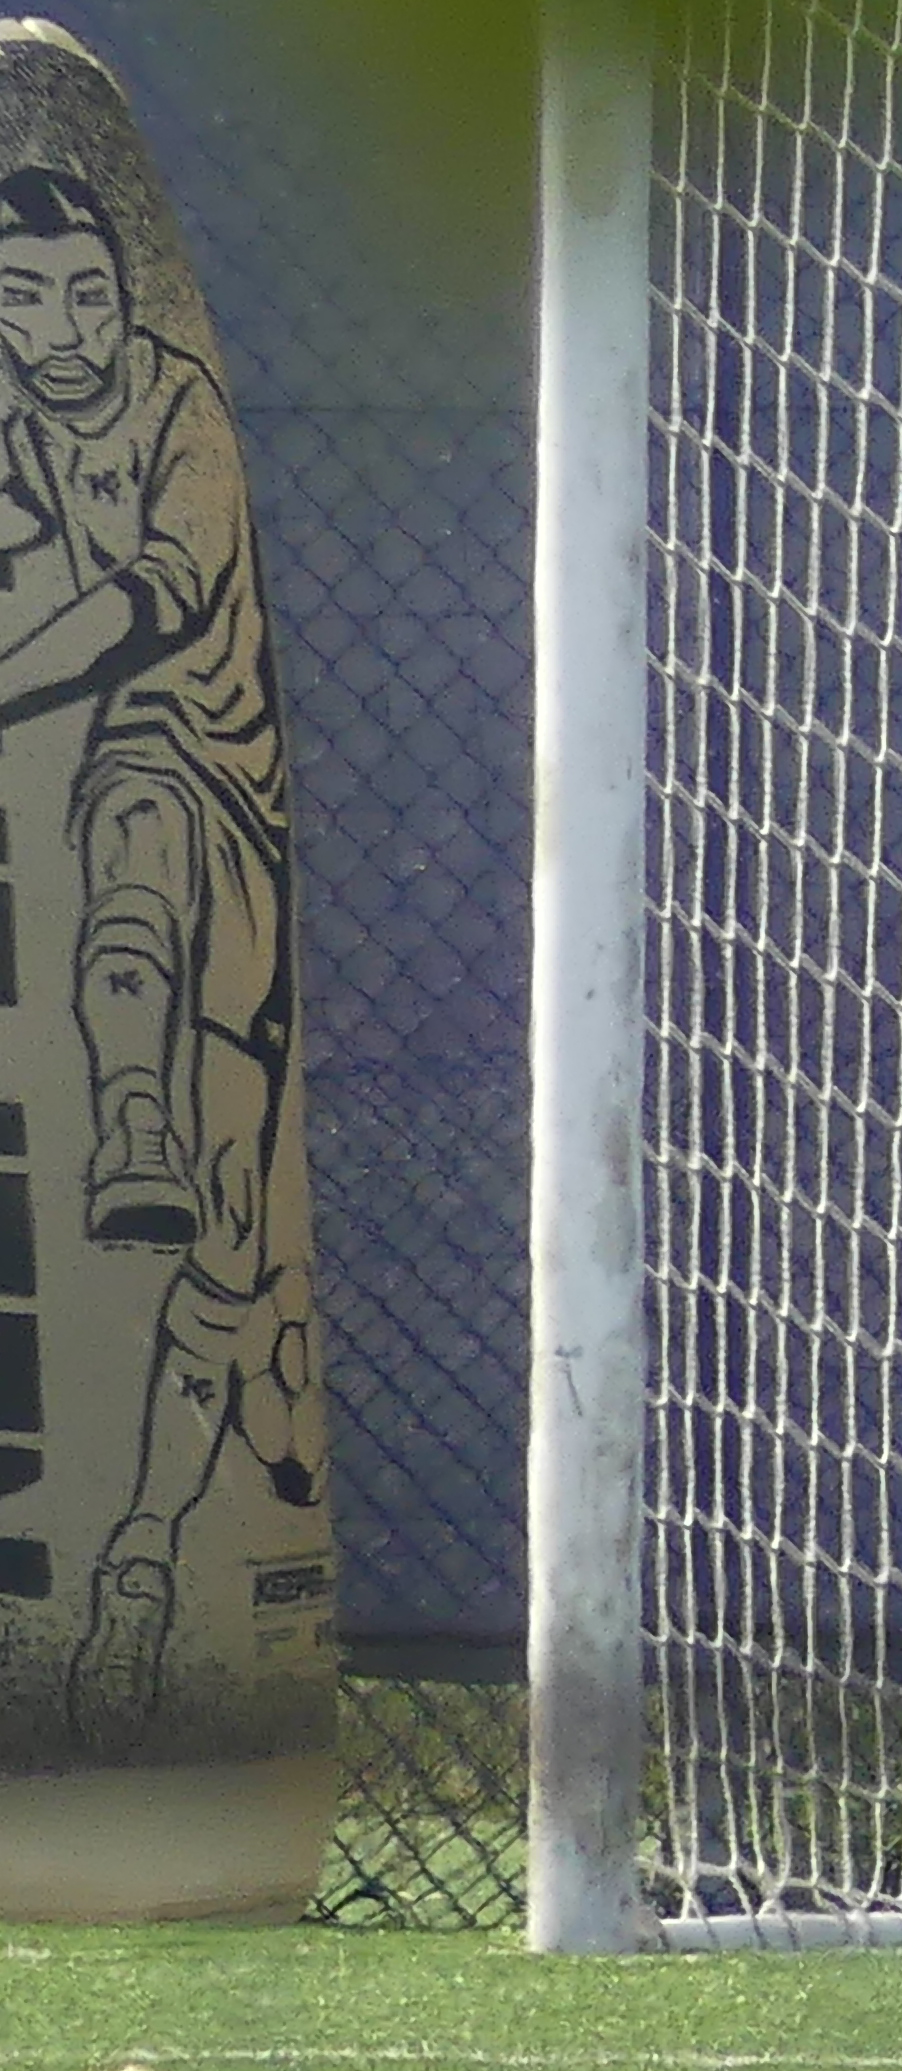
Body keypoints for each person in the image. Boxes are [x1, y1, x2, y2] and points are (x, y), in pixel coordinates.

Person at [0, 165, 321, 1736]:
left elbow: (158, 597)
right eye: (24, 299)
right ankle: (132, 1122)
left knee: (236, 1240)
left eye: (86, 295)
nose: (62, 330)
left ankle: (143, 1555)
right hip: (140, 761)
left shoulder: (178, 403)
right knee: (133, 812)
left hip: (238, 781)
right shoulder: (16, 427)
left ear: (126, 301)